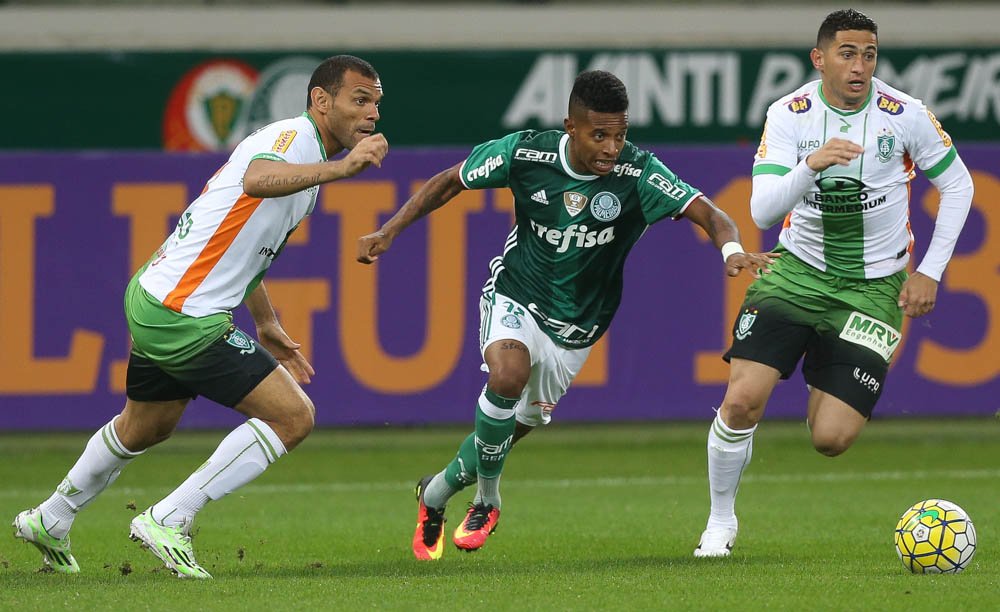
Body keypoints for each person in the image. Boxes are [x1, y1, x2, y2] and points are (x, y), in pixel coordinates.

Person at [357, 69, 775, 560]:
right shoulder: (525, 152)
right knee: (507, 376)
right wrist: (390, 230)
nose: (612, 147)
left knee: (502, 434)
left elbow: (711, 214)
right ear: (569, 127)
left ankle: (433, 496)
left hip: (578, 328)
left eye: (620, 134)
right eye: (599, 135)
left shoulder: (639, 173)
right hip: (516, 292)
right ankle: (488, 502)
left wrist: (731, 253)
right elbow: (451, 180)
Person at [12, 55, 388, 578]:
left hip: (159, 298)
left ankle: (50, 518)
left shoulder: (308, 171)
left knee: (144, 427)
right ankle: (170, 517)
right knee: (293, 417)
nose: (371, 114)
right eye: (359, 100)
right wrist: (343, 168)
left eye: (376, 103)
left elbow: (246, 246)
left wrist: (266, 320)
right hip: (182, 312)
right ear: (321, 102)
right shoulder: (294, 141)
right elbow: (257, 180)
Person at [693, 8, 975, 558]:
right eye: (847, 53)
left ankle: (824, 359)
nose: (860, 65)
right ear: (819, 58)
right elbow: (764, 211)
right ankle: (720, 522)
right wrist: (811, 166)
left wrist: (930, 270)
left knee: (830, 440)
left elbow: (959, 186)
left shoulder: (905, 114)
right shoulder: (790, 114)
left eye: (869, 54)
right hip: (796, 274)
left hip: (873, 290)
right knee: (742, 401)